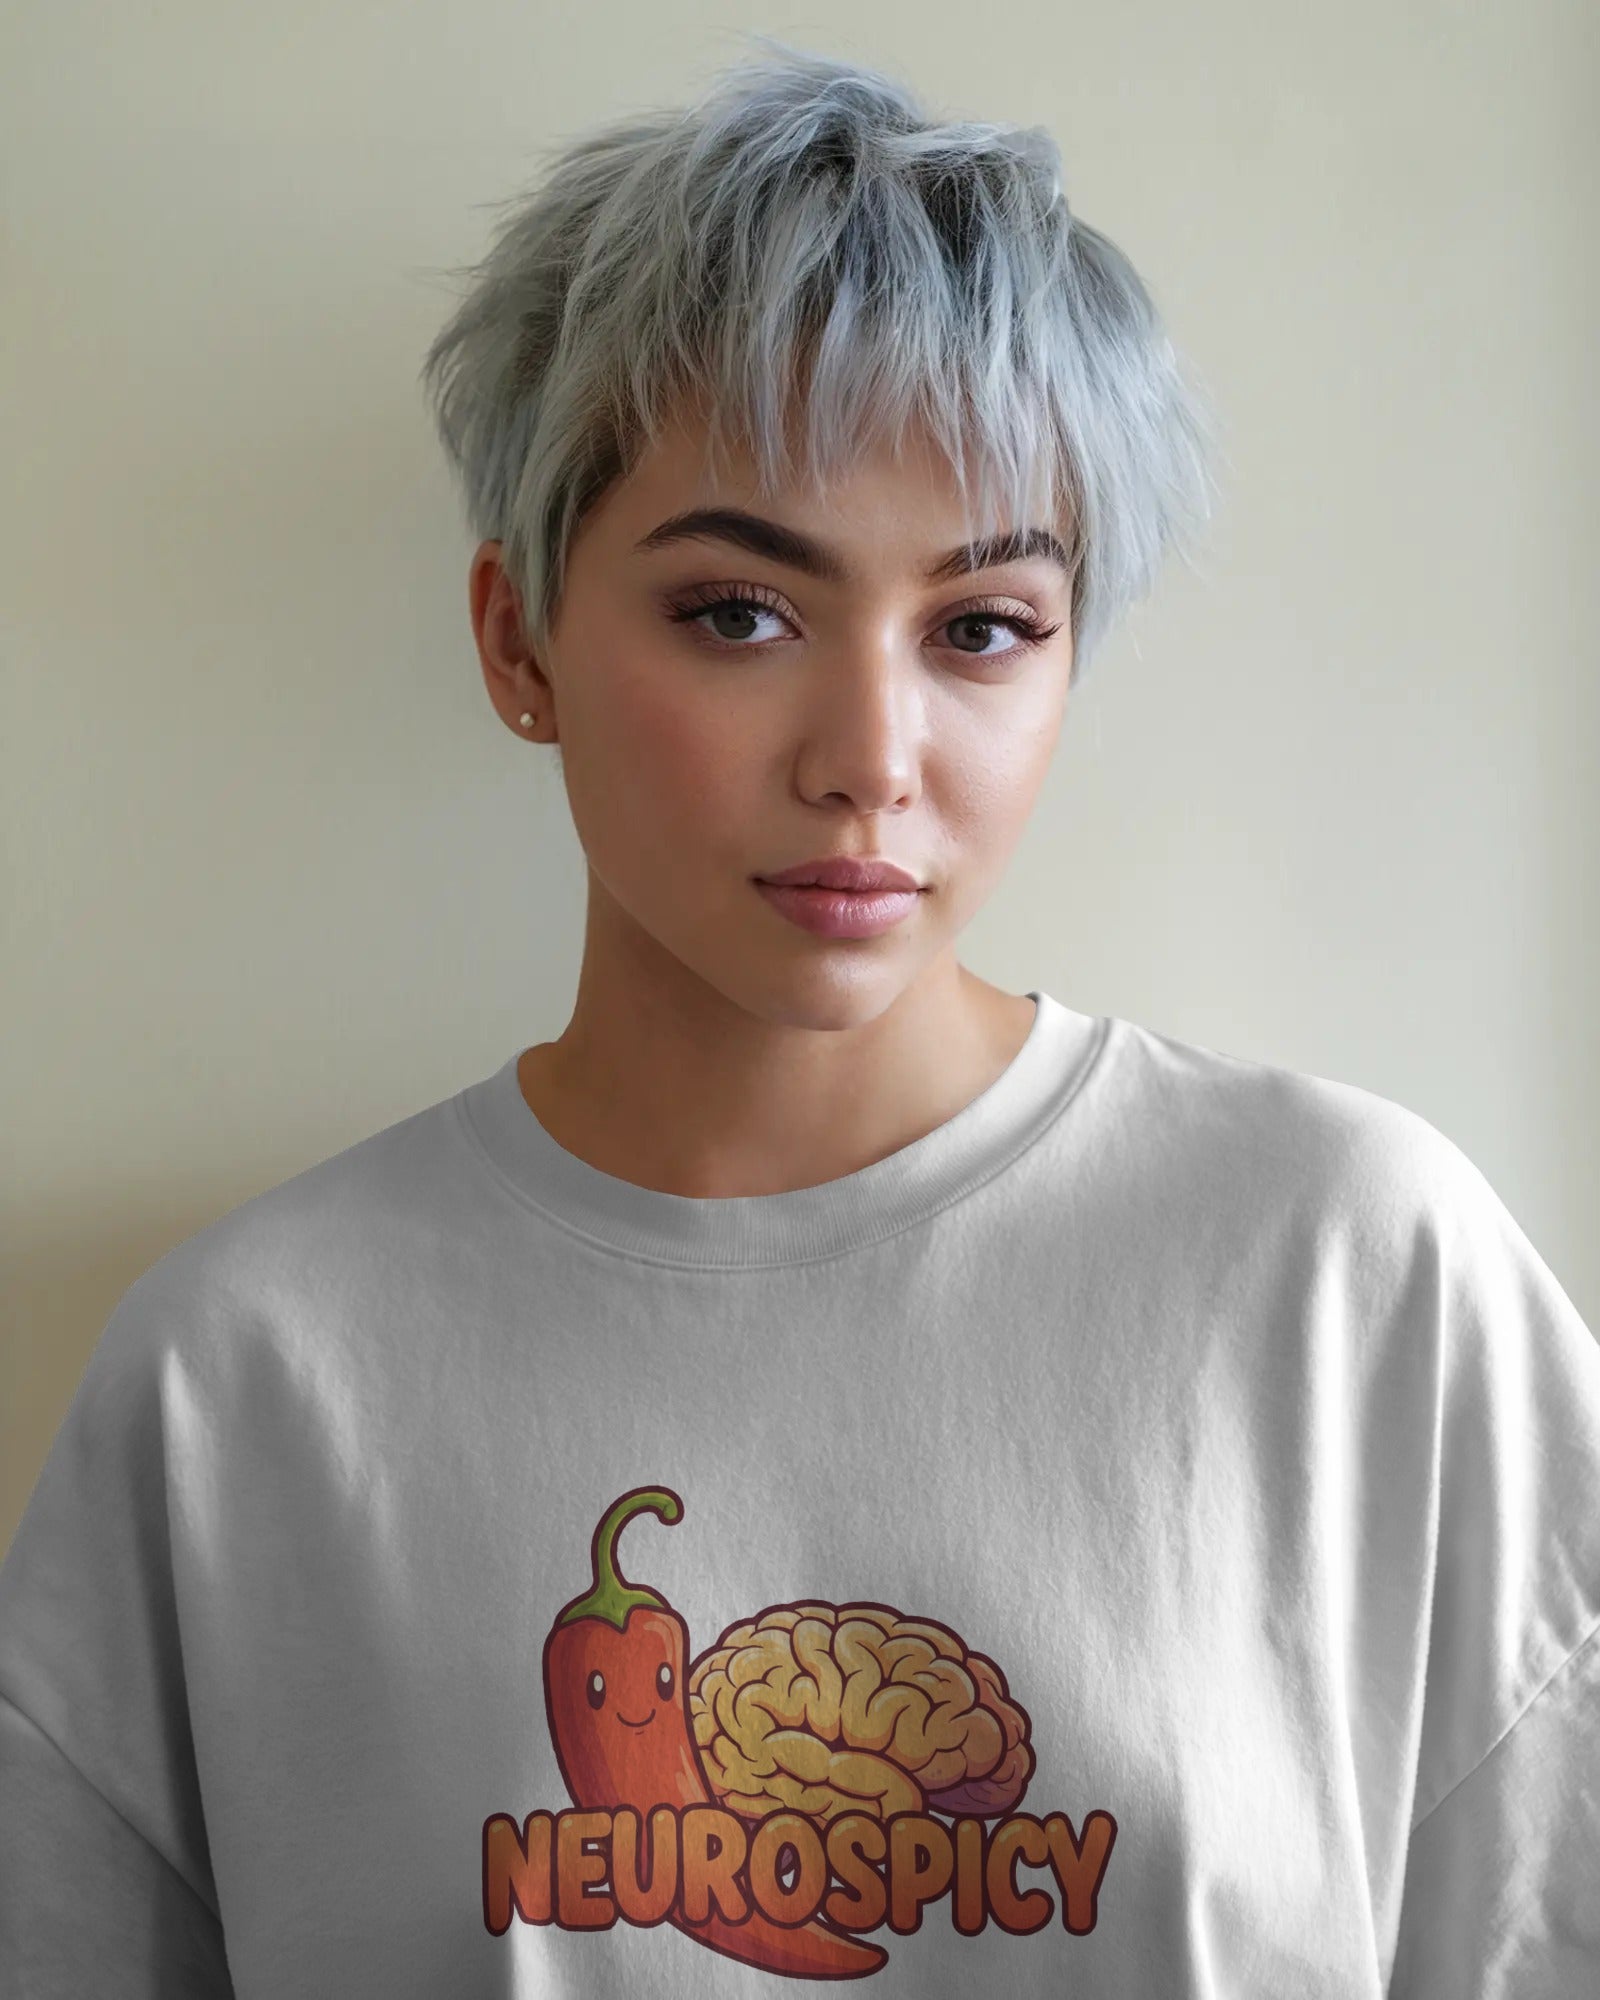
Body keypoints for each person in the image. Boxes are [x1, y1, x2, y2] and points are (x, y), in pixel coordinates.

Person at [2, 34, 1596, 1999]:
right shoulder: (242, 1384)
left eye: (981, 627)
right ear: (517, 640)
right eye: (737, 612)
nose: (869, 757)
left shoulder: (1358, 1278)